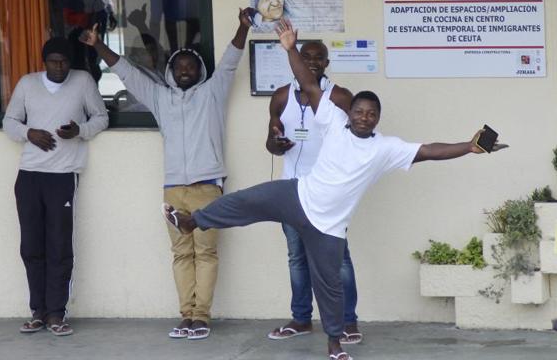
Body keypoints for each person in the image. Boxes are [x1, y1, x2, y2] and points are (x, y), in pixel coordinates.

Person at [162, 18, 507, 360]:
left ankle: (335, 345)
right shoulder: (333, 122)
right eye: (359, 112)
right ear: (349, 113)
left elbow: (430, 151)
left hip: (329, 226)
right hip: (298, 197)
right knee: (248, 200)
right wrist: (289, 48)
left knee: (330, 285)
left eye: (371, 114)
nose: (363, 117)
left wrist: (469, 146)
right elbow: (308, 84)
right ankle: (193, 221)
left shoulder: (385, 149)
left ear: (377, 119)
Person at [78, 8, 254, 340]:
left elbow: (231, 60)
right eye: (179, 66)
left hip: (207, 187)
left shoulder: (212, 94)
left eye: (191, 66)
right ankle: (186, 316)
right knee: (181, 254)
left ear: (200, 71)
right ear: (171, 71)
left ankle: (201, 316)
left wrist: (242, 26)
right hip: (173, 189)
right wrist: (98, 45)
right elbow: (128, 74)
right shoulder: (160, 98)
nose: (185, 71)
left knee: (205, 252)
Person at [3, 37, 109, 336]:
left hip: (63, 175)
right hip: (29, 174)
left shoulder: (83, 81)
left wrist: (80, 131)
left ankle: (56, 314)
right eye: (53, 61)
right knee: (31, 245)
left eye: (64, 61)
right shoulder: (27, 83)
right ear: (44, 61)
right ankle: (37, 311)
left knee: (60, 245)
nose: (59, 66)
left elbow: (101, 117)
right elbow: (9, 121)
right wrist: (29, 132)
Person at [265, 40, 362, 344]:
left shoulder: (342, 97)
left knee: (338, 260)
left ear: (327, 63)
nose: (311, 63)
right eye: (305, 57)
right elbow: (270, 143)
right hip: (292, 191)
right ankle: (301, 318)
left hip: (329, 193)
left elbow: (357, 141)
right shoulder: (281, 97)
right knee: (297, 258)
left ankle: (349, 322)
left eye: (318, 58)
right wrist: (276, 143)